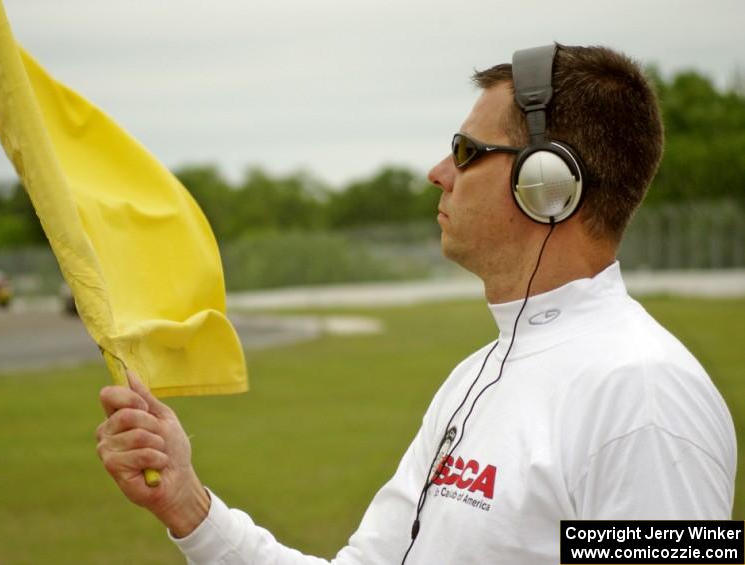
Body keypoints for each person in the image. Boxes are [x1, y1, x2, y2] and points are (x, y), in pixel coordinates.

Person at [95, 43, 736, 564]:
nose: (438, 171)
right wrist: (189, 507)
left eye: (466, 151)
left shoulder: (644, 395)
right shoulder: (479, 373)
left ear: (547, 185)